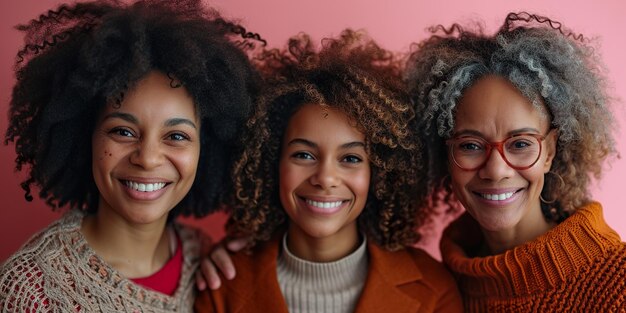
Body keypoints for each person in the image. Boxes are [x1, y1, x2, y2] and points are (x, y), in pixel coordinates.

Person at [0, 0, 261, 311]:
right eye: (123, 131)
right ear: (86, 137)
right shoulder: (31, 289)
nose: (148, 158)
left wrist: (254, 264)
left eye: (176, 136)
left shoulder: (207, 262)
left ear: (205, 150)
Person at [194, 30, 463, 313]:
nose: (325, 178)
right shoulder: (221, 287)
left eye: (350, 158)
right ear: (273, 163)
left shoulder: (434, 292)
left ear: (380, 173)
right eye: (304, 155)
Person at [405, 12, 625, 312]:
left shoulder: (616, 285)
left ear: (549, 151)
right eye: (470, 145)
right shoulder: (435, 289)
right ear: (445, 156)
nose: (496, 170)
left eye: (521, 144)